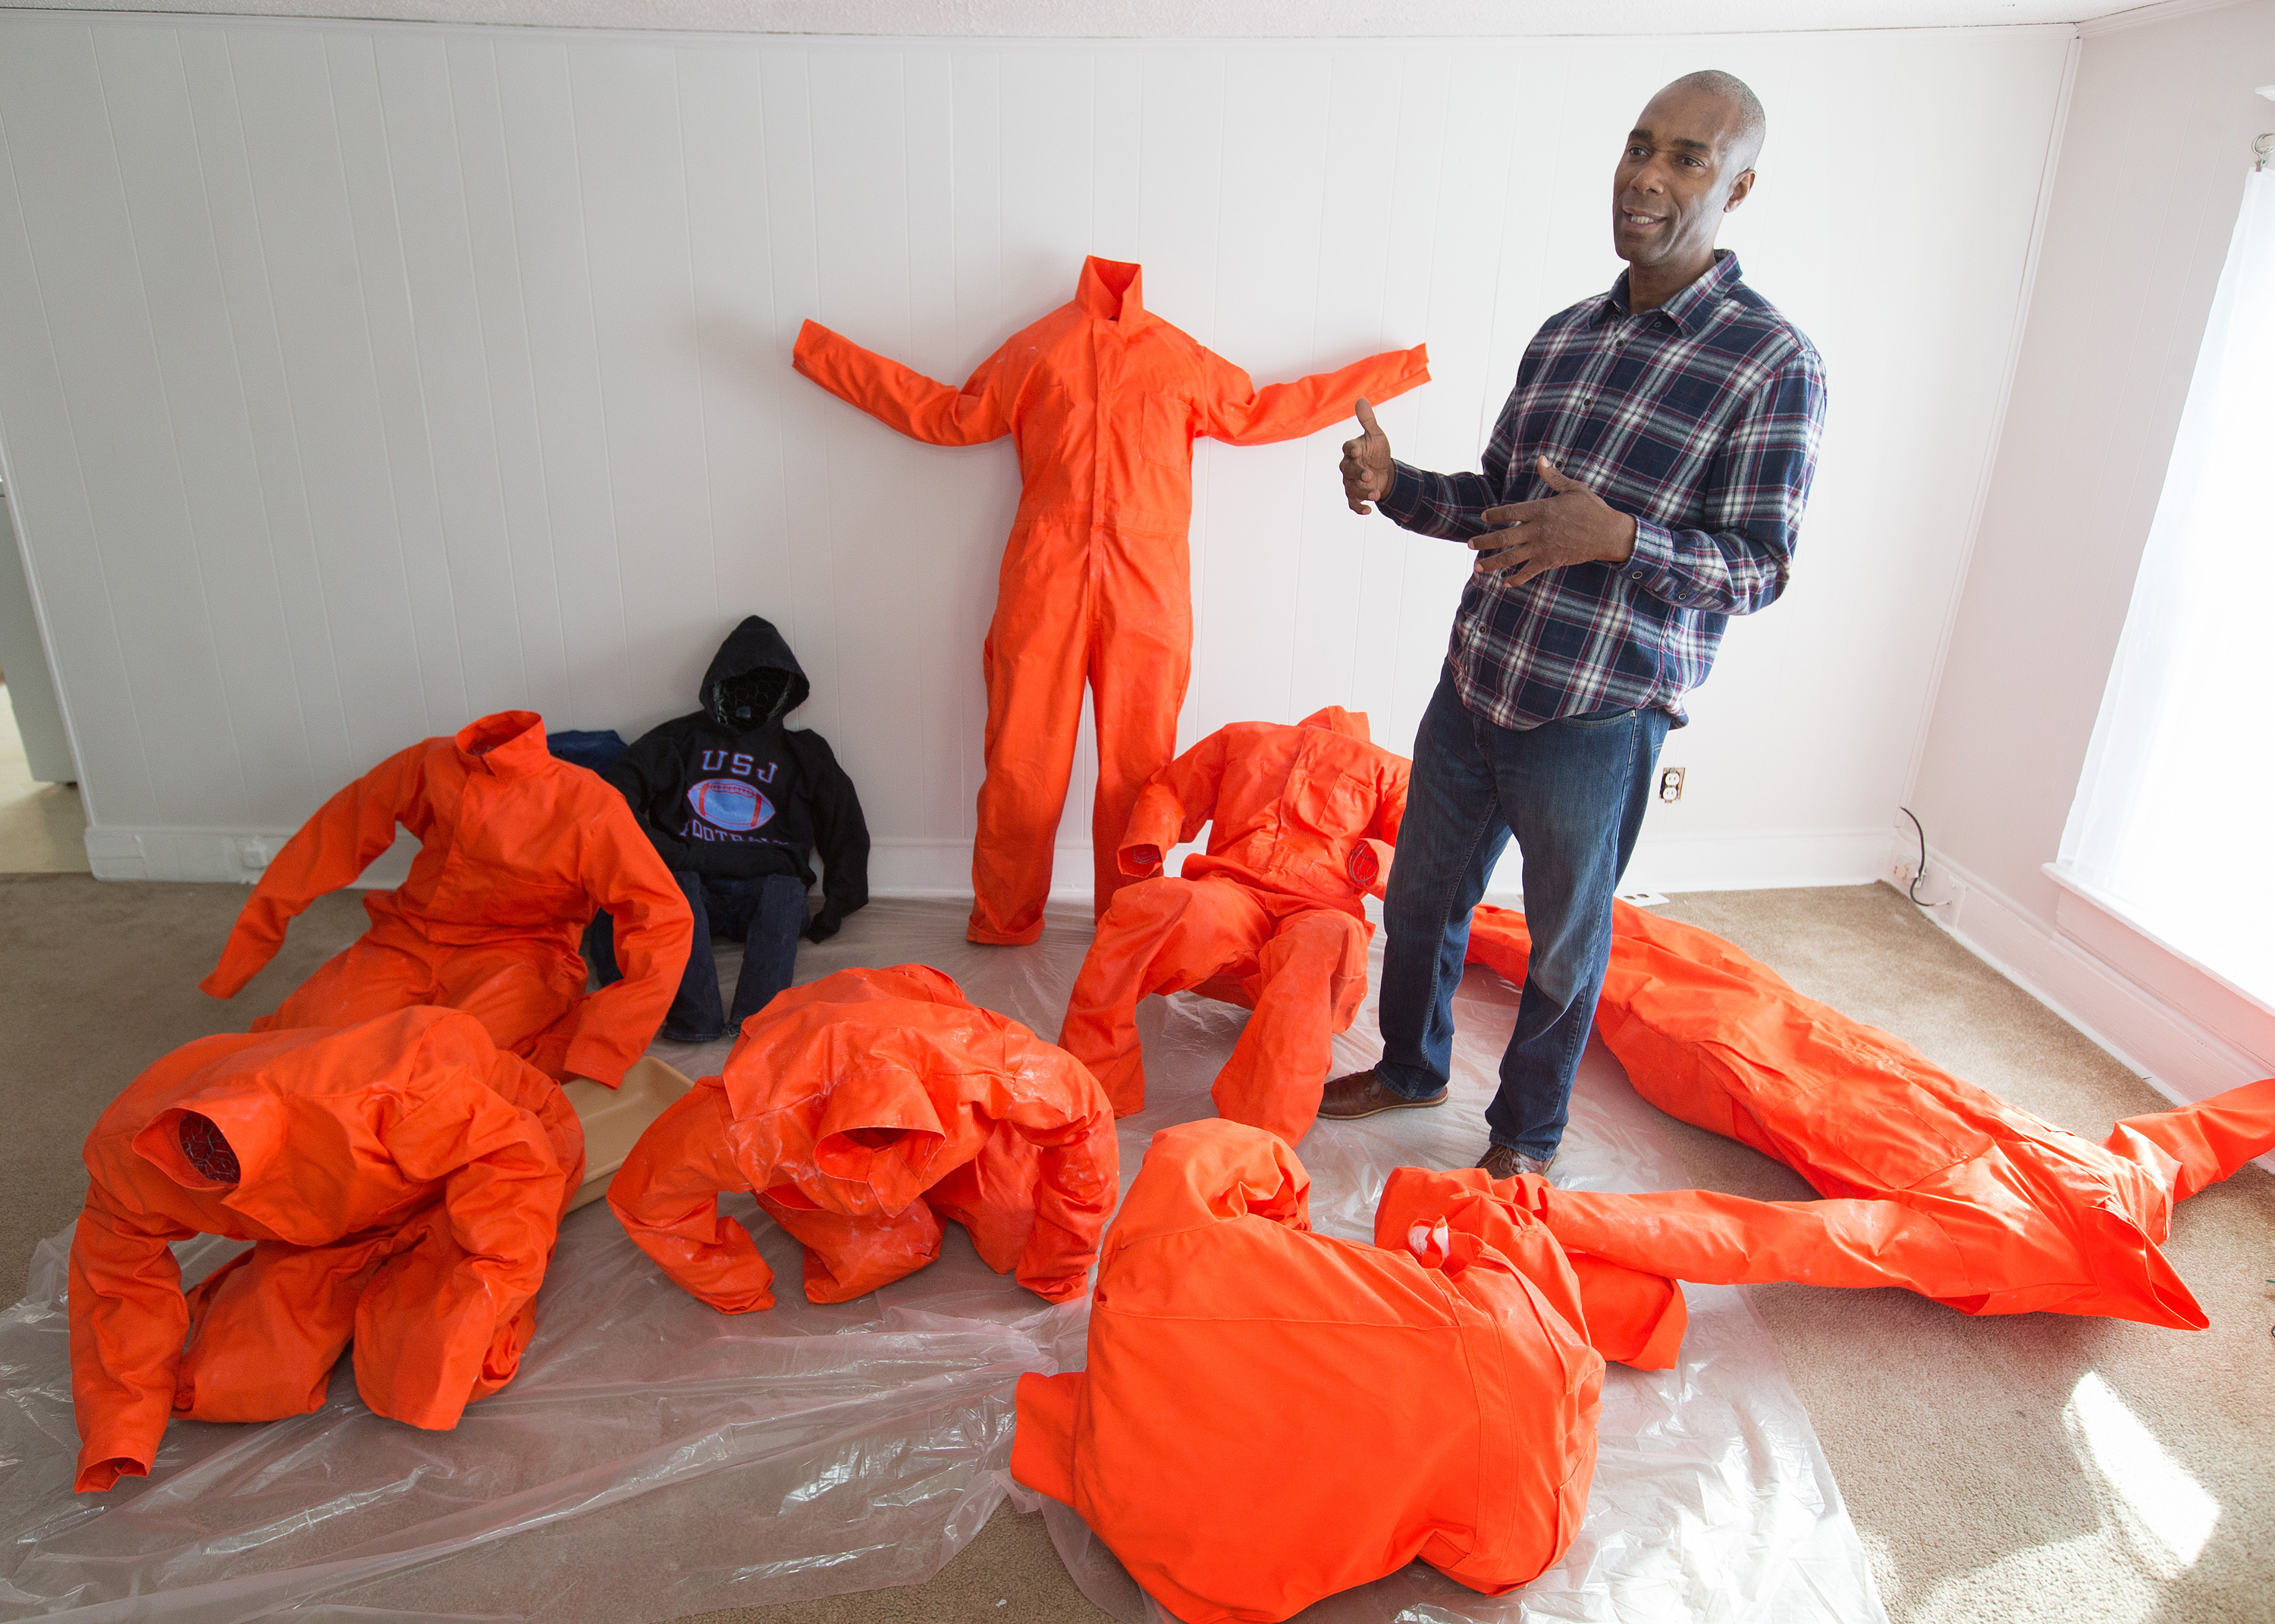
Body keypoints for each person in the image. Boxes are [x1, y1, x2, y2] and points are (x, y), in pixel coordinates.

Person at [1323, 71, 1828, 1180]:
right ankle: (1411, 1065)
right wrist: (1395, 480)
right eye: (1638, 146)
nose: (1646, 175)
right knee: (1417, 905)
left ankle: (1525, 1138)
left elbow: (1762, 569)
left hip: (1595, 719)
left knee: (1562, 944)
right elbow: (1497, 508)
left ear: (1739, 188)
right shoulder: (1563, 336)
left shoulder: (1772, 364)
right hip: (1478, 682)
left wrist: (1621, 539)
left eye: (1687, 158)